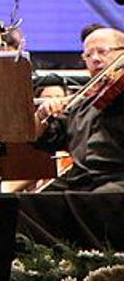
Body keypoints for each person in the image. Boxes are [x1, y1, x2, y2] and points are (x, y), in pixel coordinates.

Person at [34, 27, 124, 192]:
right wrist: (41, 115)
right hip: (80, 180)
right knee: (28, 202)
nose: (95, 58)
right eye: (88, 55)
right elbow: (46, 139)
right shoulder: (80, 103)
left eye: (102, 51)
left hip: (115, 179)